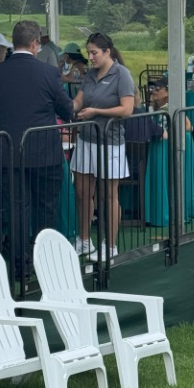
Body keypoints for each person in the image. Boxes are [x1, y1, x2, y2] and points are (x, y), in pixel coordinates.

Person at [0, 20, 75, 274]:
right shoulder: (48, 74)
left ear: (13, 43)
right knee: (46, 208)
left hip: (5, 152)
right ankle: (45, 262)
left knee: (14, 208)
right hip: (43, 152)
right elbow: (66, 109)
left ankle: (19, 264)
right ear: (36, 44)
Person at [71, 32, 135, 261]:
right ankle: (84, 240)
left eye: (94, 53)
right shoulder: (90, 74)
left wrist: (97, 112)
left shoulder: (122, 75)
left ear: (107, 52)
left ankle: (111, 245)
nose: (90, 57)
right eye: (88, 53)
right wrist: (68, 107)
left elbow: (127, 109)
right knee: (82, 192)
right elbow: (79, 99)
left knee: (109, 195)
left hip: (110, 143)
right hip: (85, 139)